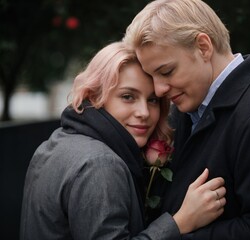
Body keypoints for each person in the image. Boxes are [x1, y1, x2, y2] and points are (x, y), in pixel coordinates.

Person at [123, 0, 250, 239]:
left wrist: (177, 230)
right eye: (152, 76)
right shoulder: (186, 110)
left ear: (203, 47)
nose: (159, 89)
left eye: (166, 71)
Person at [20, 41, 227, 240]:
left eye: (153, 100)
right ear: (94, 96)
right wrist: (180, 222)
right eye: (128, 96)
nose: (144, 112)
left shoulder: (56, 143)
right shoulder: (100, 164)